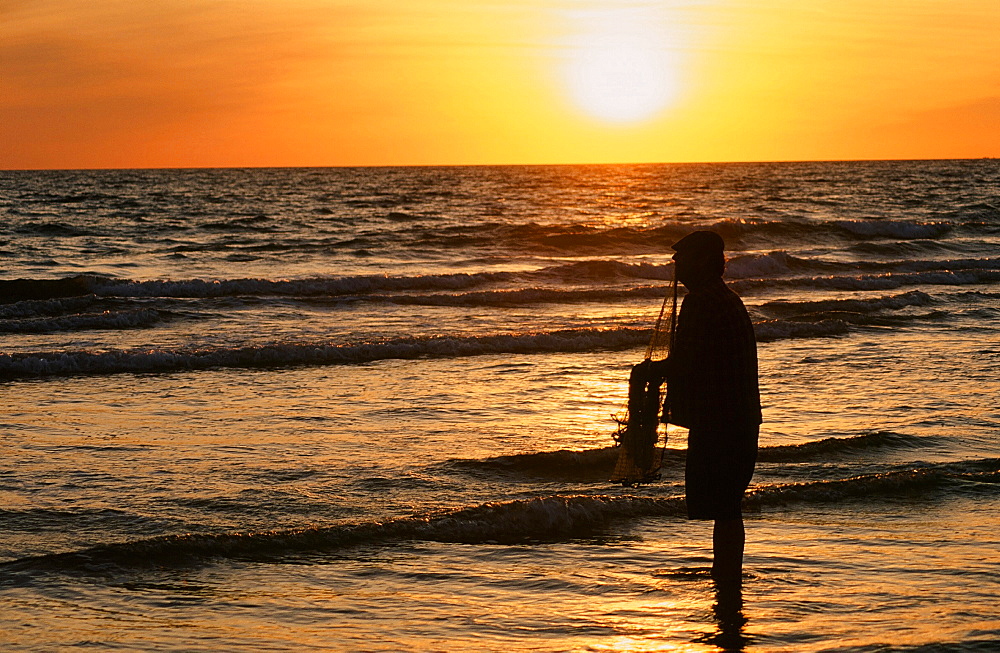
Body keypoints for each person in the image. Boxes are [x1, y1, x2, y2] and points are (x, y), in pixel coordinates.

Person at [644, 230, 761, 587]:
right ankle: (726, 575)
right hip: (739, 418)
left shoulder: (701, 302)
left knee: (724, 507)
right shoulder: (726, 297)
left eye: (683, 257)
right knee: (728, 508)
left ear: (703, 262)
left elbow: (684, 364)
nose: (675, 264)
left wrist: (647, 371)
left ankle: (726, 581)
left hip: (721, 422)